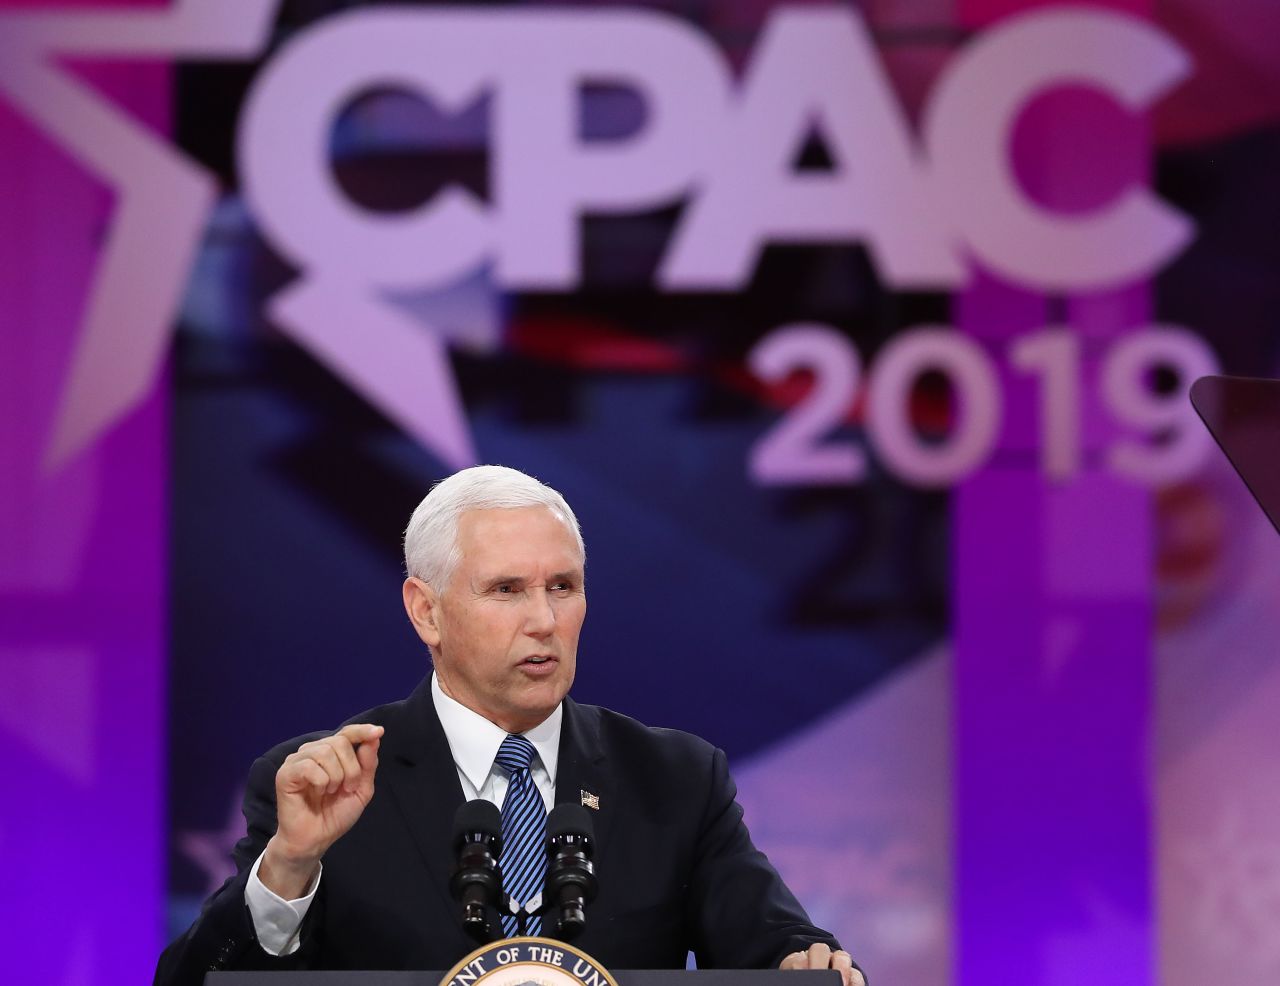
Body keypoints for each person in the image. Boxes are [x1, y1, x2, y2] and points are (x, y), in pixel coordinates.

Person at [155, 465, 866, 986]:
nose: (544, 621)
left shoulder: (675, 779)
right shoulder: (331, 786)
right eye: (507, 590)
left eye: (563, 587)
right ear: (425, 611)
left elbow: (777, 943)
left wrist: (808, 965)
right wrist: (288, 868)